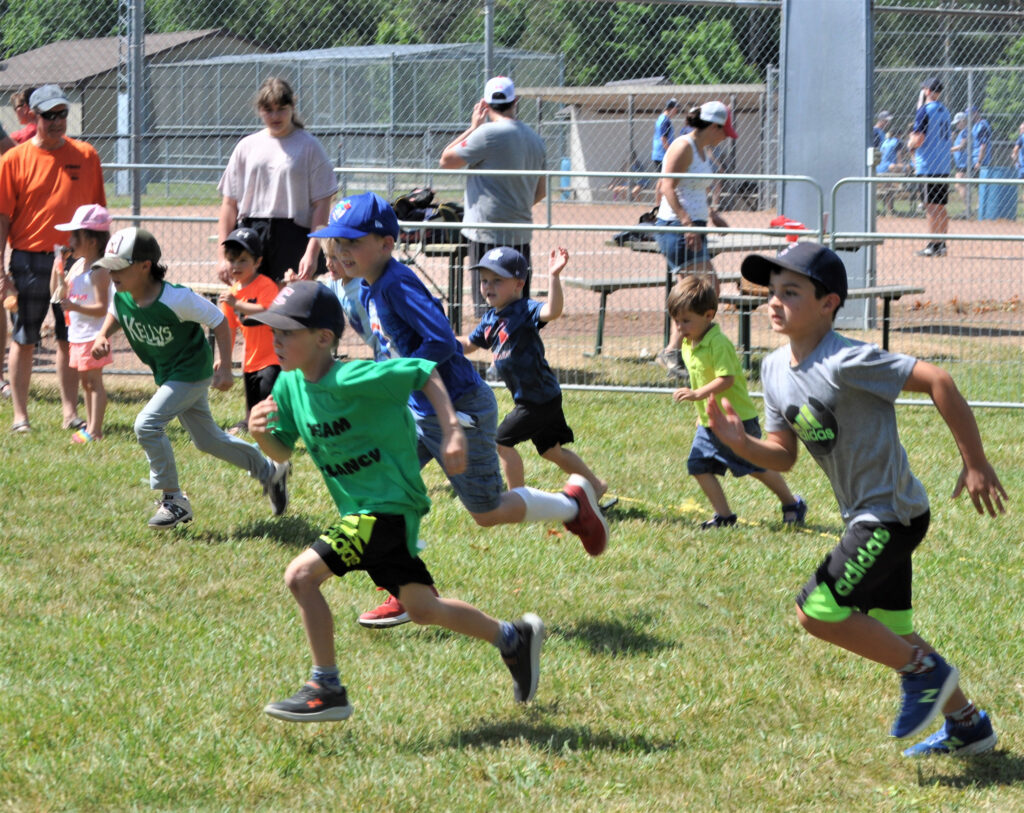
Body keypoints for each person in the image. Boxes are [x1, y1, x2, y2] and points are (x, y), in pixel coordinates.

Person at [707, 241, 1005, 758]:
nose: (774, 303)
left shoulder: (847, 359)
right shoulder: (775, 369)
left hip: (889, 514)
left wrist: (975, 463)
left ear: (830, 304)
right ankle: (968, 725)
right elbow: (783, 455)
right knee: (891, 632)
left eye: (791, 293)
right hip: (872, 515)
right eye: (771, 292)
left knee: (816, 610)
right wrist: (740, 443)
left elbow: (939, 379)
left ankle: (925, 675)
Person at [244, 280, 545, 721]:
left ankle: (326, 687)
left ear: (324, 338)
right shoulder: (289, 387)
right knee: (423, 608)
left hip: (385, 510)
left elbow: (424, 372)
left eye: (287, 332)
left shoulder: (356, 377)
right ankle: (512, 638)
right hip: (362, 512)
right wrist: (260, 433)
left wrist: (454, 430)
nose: (277, 340)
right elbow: (283, 450)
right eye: (274, 331)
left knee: (301, 577)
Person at [308, 193, 609, 628]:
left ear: (387, 244)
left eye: (352, 242)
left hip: (459, 408)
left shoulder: (395, 283)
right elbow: (394, 348)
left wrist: (398, 374)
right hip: (417, 410)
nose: (341, 252)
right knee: (378, 495)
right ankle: (410, 591)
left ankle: (572, 504)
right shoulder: (372, 286)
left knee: (486, 512)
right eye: (337, 243)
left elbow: (441, 343)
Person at [90, 227, 291, 530]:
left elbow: (220, 320)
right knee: (208, 440)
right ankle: (270, 471)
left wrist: (223, 366)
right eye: (109, 267)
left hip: (192, 372)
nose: (112, 274)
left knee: (146, 424)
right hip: (170, 374)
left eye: (119, 267)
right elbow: (117, 312)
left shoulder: (175, 298)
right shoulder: (124, 295)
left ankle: (174, 500)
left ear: (145, 266)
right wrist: (102, 335)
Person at [459, 245, 607, 499]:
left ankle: (517, 499)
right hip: (541, 396)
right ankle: (596, 485)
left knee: (501, 441)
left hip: (536, 399)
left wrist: (554, 276)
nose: (488, 286)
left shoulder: (525, 310)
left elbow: (553, 311)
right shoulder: (489, 320)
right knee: (551, 451)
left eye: (497, 280)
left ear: (518, 284)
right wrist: (438, 342)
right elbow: (469, 345)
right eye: (484, 280)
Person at [0, 84, 104, 433]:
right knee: (25, 337)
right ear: (33, 115)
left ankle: (69, 414)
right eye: (49, 115)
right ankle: (20, 417)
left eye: (62, 114)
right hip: (29, 260)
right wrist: (2, 272)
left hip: (76, 263)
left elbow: (98, 215)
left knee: (69, 338)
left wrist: (100, 263)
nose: (58, 121)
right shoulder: (14, 160)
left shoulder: (87, 155)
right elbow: (2, 218)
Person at [667, 274, 806, 529]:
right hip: (709, 423)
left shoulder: (718, 343)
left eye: (686, 320)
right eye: (676, 321)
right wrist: (702, 412)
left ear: (709, 316)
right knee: (698, 465)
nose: (680, 327)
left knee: (755, 467)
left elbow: (727, 379)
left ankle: (792, 503)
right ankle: (724, 516)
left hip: (736, 420)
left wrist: (697, 395)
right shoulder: (689, 343)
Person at [439, 75, 546, 318]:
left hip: (486, 234)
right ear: (515, 101)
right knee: (518, 307)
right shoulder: (536, 140)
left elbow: (446, 160)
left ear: (485, 104)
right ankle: (515, 353)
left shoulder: (486, 133)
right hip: (519, 235)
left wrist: (473, 127)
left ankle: (496, 353)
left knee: (490, 310)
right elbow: (541, 191)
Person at [217, 77, 336, 285]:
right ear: (259, 110)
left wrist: (311, 252)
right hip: (250, 233)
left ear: (292, 106)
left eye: (281, 108)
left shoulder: (309, 147)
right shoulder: (246, 146)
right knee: (250, 309)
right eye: (268, 110)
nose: (275, 116)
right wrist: (223, 256)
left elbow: (322, 205)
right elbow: (229, 204)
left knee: (289, 309)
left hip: (294, 236)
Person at [652, 101, 737, 381]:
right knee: (704, 290)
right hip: (677, 227)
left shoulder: (702, 149)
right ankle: (677, 351)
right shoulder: (683, 146)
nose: (725, 135)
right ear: (712, 126)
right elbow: (666, 186)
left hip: (694, 226)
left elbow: (694, 189)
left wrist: (712, 214)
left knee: (697, 292)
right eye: (723, 130)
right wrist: (687, 222)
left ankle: (679, 351)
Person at [52, 204, 112, 443]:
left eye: (75, 235)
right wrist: (58, 270)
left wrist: (75, 307)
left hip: (93, 335)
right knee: (86, 383)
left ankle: (95, 431)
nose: (70, 240)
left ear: (92, 240)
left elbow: (102, 307)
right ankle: (90, 425)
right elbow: (60, 293)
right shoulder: (78, 265)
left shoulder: (99, 270)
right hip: (78, 335)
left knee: (94, 382)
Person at [217, 227, 282, 436]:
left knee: (268, 397)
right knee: (253, 402)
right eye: (232, 260)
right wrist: (222, 358)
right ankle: (252, 427)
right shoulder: (231, 294)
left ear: (257, 262)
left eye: (243, 260)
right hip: (250, 359)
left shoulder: (265, 285)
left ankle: (276, 432)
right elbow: (228, 329)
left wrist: (238, 304)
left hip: (273, 357)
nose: (236, 265)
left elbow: (267, 310)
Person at [909, 77, 952, 257]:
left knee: (931, 207)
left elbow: (919, 139)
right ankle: (941, 244)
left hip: (928, 166)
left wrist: (910, 144)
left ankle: (933, 245)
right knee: (940, 207)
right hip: (943, 165)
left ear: (927, 91)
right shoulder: (945, 111)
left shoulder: (925, 111)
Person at [650, 98, 678, 207]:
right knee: (662, 179)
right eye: (676, 108)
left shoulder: (661, 118)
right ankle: (658, 204)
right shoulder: (665, 120)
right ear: (671, 108)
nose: (676, 111)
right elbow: (663, 138)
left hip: (659, 153)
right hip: (662, 154)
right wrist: (670, 152)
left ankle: (659, 203)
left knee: (662, 178)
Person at [949, 111, 969, 210]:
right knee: (959, 185)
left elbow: (962, 146)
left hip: (964, 163)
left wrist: (949, 150)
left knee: (960, 185)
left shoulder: (965, 131)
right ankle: (968, 207)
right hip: (960, 163)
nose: (957, 125)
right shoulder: (961, 132)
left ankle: (967, 208)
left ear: (963, 121)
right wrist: (952, 139)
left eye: (958, 123)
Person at [968, 106, 992, 174]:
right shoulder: (975, 125)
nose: (969, 117)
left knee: (979, 183)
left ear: (976, 113)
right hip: (975, 158)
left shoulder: (982, 125)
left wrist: (979, 162)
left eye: (971, 114)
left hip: (981, 161)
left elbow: (983, 145)